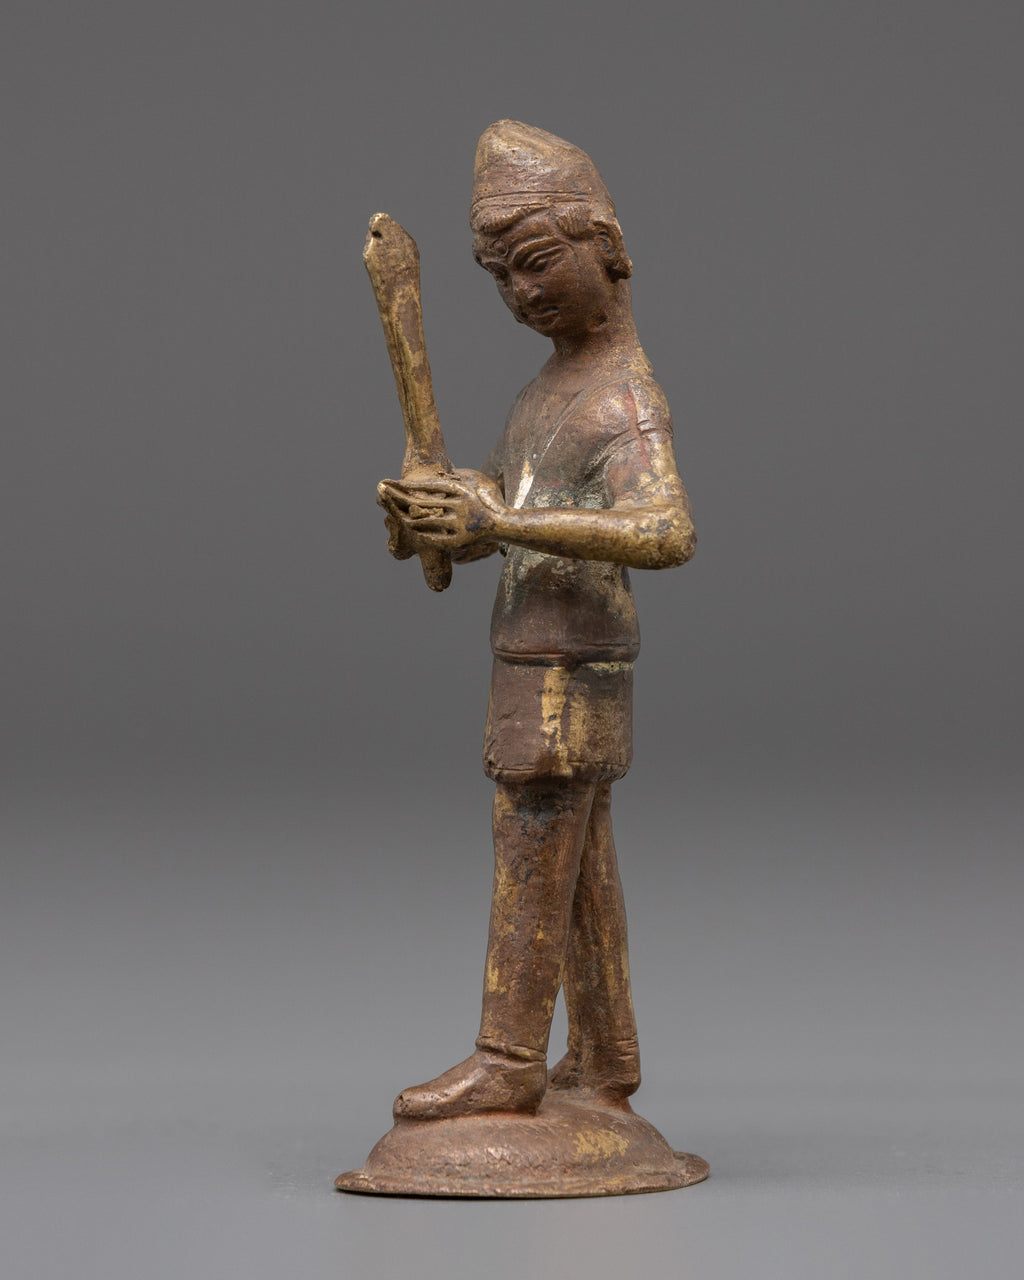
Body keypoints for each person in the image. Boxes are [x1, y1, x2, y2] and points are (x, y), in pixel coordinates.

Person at [377, 120, 695, 1120]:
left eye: (536, 261)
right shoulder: (546, 391)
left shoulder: (623, 401)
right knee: (579, 856)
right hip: (543, 652)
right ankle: (605, 1058)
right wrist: (445, 521)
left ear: (606, 245)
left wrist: (501, 520)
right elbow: (507, 519)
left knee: (532, 840)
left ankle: (508, 1055)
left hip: (566, 666)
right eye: (498, 276)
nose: (520, 292)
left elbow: (665, 530)